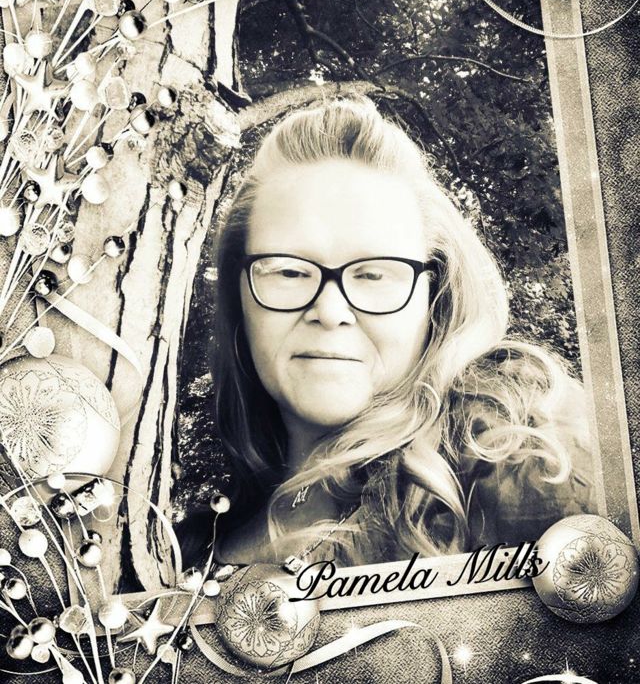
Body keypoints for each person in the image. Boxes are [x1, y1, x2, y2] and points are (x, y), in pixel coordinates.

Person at [178, 95, 595, 569]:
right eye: (288, 271)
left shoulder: (520, 452)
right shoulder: (188, 544)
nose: (330, 311)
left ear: (434, 296)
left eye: (374, 274)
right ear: (240, 296)